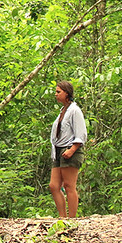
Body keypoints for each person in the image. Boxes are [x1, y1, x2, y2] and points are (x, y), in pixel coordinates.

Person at [49, 80, 87, 218]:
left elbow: (81, 133)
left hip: (70, 149)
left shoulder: (75, 110)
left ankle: (72, 218)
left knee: (69, 185)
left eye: (58, 92)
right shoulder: (62, 111)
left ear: (67, 93)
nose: (56, 94)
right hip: (58, 151)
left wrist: (72, 149)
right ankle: (62, 217)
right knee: (54, 186)